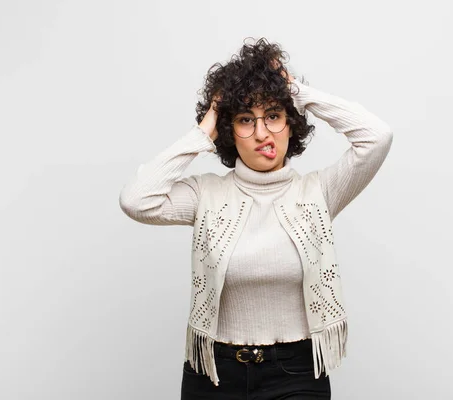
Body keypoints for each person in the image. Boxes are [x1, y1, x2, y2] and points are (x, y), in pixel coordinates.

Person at [119, 37, 393, 399]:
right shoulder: (207, 195)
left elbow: (377, 137)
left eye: (274, 116)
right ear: (229, 132)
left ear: (291, 123)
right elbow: (136, 200)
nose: (262, 133)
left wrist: (295, 90)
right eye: (246, 120)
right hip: (214, 373)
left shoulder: (320, 192)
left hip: (295, 373)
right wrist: (204, 129)